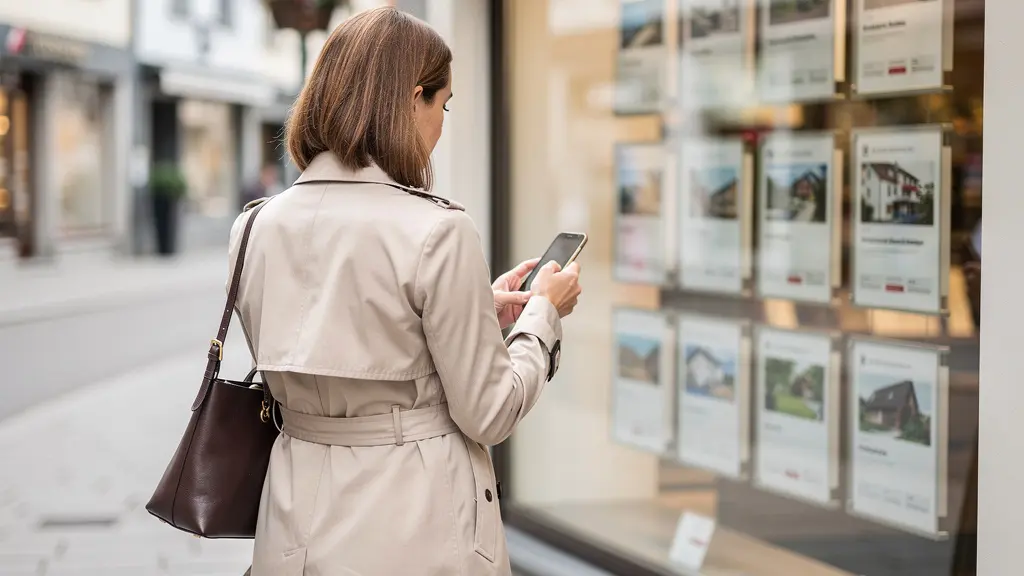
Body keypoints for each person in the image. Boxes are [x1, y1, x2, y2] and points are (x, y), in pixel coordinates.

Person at [232, 7, 583, 576]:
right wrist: (542, 316)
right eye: (442, 105)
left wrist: (475, 307)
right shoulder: (437, 230)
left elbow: (330, 341)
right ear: (413, 98)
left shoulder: (254, 227)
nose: (442, 125)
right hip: (413, 525)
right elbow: (489, 413)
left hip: (291, 523)